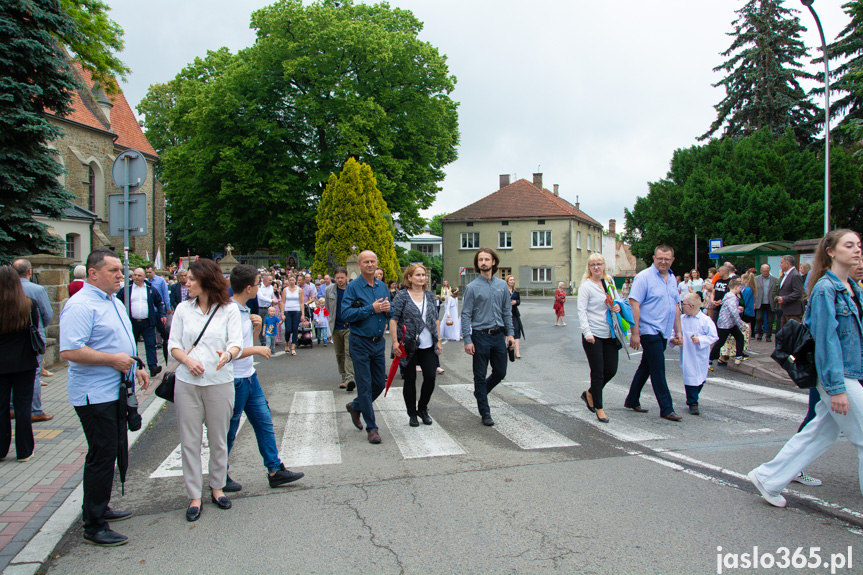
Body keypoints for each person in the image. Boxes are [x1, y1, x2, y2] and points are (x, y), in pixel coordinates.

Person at [749, 229, 863, 507]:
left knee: (820, 434)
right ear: (832, 252)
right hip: (839, 375)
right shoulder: (826, 289)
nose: (857, 250)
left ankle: (769, 477)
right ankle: (769, 477)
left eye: (859, 245)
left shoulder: (853, 288)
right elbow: (826, 341)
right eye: (849, 245)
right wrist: (836, 389)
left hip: (848, 373)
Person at [59, 248, 149, 546]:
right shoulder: (80, 305)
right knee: (102, 455)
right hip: (94, 394)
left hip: (113, 390)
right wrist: (113, 360)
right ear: (93, 273)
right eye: (114, 270)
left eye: (120, 271)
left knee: (109, 452)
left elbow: (119, 341)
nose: (120, 275)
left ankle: (99, 506)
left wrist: (136, 365)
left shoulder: (111, 301)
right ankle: (93, 525)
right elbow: (71, 350)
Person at [167, 258, 242, 522]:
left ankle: (218, 488)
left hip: (220, 382)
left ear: (206, 280)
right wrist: (186, 360)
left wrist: (228, 356)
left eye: (190, 279)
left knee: (219, 439)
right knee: (189, 441)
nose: (186, 283)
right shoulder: (182, 309)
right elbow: (173, 344)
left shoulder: (229, 310)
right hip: (187, 383)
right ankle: (194, 495)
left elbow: (236, 343)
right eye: (185, 279)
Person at [224, 265, 304, 493]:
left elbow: (245, 342)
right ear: (249, 288)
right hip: (235, 379)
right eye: (258, 284)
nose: (260, 288)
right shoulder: (229, 311)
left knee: (264, 422)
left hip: (249, 376)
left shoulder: (243, 309)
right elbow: (229, 350)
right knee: (230, 430)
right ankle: (220, 473)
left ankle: (274, 470)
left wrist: (256, 330)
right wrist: (257, 350)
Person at [623, 245, 684, 421]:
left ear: (672, 260)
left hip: (663, 331)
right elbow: (634, 304)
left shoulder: (672, 279)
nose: (663, 262)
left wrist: (678, 331)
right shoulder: (644, 278)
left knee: (646, 366)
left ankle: (631, 399)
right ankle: (666, 407)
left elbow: (675, 306)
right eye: (660, 258)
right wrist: (635, 333)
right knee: (658, 368)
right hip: (648, 330)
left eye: (667, 259)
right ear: (654, 258)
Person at [461, 248, 514, 426]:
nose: (483, 262)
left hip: (498, 336)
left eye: (487, 259)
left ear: (493, 262)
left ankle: (480, 392)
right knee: (480, 375)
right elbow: (466, 315)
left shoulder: (502, 286)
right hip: (480, 336)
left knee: (500, 372)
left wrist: (511, 334)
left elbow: (507, 311)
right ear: (477, 264)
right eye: (480, 260)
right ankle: (485, 412)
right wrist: (467, 340)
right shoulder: (471, 288)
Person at [342, 251, 391, 444]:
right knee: (364, 385)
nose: (370, 264)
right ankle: (372, 428)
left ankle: (355, 406)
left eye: (373, 261)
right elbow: (345, 314)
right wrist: (371, 308)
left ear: (377, 264)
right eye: (366, 262)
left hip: (378, 342)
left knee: (379, 384)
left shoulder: (382, 286)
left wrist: (388, 309)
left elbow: (391, 309)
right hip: (360, 342)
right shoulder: (353, 288)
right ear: (359, 265)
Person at [390, 264, 442, 427]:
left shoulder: (430, 296)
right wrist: (394, 342)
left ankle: (423, 408)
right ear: (409, 277)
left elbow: (435, 320)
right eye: (418, 275)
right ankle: (412, 413)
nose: (422, 278)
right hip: (408, 345)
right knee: (410, 379)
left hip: (427, 344)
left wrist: (438, 340)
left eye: (423, 275)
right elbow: (394, 319)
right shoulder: (402, 296)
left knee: (430, 377)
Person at [577, 254, 621, 423]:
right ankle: (599, 408)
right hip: (593, 334)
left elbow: (615, 301)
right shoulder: (586, 287)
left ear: (604, 266)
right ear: (589, 268)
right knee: (598, 372)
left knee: (611, 369)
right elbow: (582, 311)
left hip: (610, 332)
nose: (596, 267)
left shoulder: (608, 282)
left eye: (599, 264)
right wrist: (587, 332)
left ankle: (589, 393)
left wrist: (615, 306)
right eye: (593, 265)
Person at [0, 266, 38, 462]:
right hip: (24, 362)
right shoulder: (28, 305)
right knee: (23, 406)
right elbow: (36, 328)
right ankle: (24, 451)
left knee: (1, 407)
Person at [11, 259, 53, 422]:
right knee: (34, 373)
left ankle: (12, 407)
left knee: (12, 372)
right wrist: (39, 326)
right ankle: (35, 409)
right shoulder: (37, 289)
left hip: (11, 337)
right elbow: (47, 313)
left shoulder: (7, 289)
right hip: (34, 336)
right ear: (29, 272)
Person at [672, 292, 718, 415]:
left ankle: (694, 395)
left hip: (700, 355)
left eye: (684, 304)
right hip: (687, 355)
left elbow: (713, 336)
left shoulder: (705, 320)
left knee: (700, 378)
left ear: (691, 306)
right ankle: (692, 402)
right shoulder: (681, 320)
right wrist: (674, 340)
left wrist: (700, 340)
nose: (682, 306)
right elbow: (673, 332)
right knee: (690, 377)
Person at [116, 268, 165, 378]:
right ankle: (136, 365)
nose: (136, 277)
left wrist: (162, 314)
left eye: (139, 275)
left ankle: (153, 367)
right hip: (132, 321)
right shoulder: (127, 289)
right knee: (132, 344)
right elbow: (117, 300)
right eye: (135, 275)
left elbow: (159, 302)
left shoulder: (150, 289)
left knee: (150, 344)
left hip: (147, 321)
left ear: (144, 277)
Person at [325, 267, 355, 391]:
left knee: (349, 352)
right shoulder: (329, 290)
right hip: (335, 326)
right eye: (337, 278)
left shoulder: (352, 289)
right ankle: (343, 377)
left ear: (346, 277)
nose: (340, 280)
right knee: (339, 354)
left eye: (342, 277)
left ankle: (349, 379)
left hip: (349, 326)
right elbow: (328, 306)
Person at [710, 278, 748, 367]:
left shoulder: (728, 295)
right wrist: (740, 324)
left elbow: (730, 310)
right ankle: (709, 359)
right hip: (726, 324)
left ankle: (739, 356)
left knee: (739, 337)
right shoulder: (732, 298)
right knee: (720, 342)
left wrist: (737, 310)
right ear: (735, 287)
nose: (740, 290)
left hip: (729, 323)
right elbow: (733, 312)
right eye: (739, 287)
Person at [776, 255, 805, 327]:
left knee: (792, 335)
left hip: (793, 312)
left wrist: (784, 298)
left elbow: (798, 292)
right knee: (784, 334)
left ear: (787, 264)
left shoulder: (795, 275)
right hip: (786, 310)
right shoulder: (787, 275)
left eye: (781, 262)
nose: (780, 265)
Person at [754, 264, 778, 342]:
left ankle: (768, 336)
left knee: (770, 320)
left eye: (767, 271)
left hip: (770, 302)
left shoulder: (774, 280)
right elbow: (754, 291)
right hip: (759, 302)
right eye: (764, 271)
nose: (765, 273)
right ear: (761, 271)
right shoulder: (756, 279)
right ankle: (760, 333)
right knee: (758, 318)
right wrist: (754, 302)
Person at [281, 274, 303, 356]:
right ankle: (287, 344)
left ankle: (293, 347)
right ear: (288, 281)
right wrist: (282, 313)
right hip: (288, 311)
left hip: (296, 311)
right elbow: (283, 302)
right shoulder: (285, 290)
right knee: (288, 329)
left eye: (293, 280)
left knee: (295, 329)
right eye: (290, 280)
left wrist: (302, 314)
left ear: (295, 281)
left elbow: (301, 302)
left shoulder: (299, 290)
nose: (291, 281)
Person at [256, 273, 276, 345]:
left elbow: (272, 296)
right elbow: (260, 297)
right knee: (261, 325)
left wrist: (273, 300)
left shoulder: (271, 287)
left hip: (268, 308)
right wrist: (271, 300)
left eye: (271, 280)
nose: (271, 281)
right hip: (260, 308)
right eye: (269, 280)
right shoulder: (260, 287)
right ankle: (263, 341)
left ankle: (268, 341)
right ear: (264, 280)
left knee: (268, 324)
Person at [506, 276, 523, 359]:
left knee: (516, 331)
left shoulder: (515, 292)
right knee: (504, 331)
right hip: (505, 314)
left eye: (513, 280)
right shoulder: (504, 291)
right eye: (510, 280)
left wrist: (516, 302)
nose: (512, 281)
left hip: (514, 313)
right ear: (507, 281)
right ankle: (502, 351)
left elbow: (519, 301)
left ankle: (517, 352)